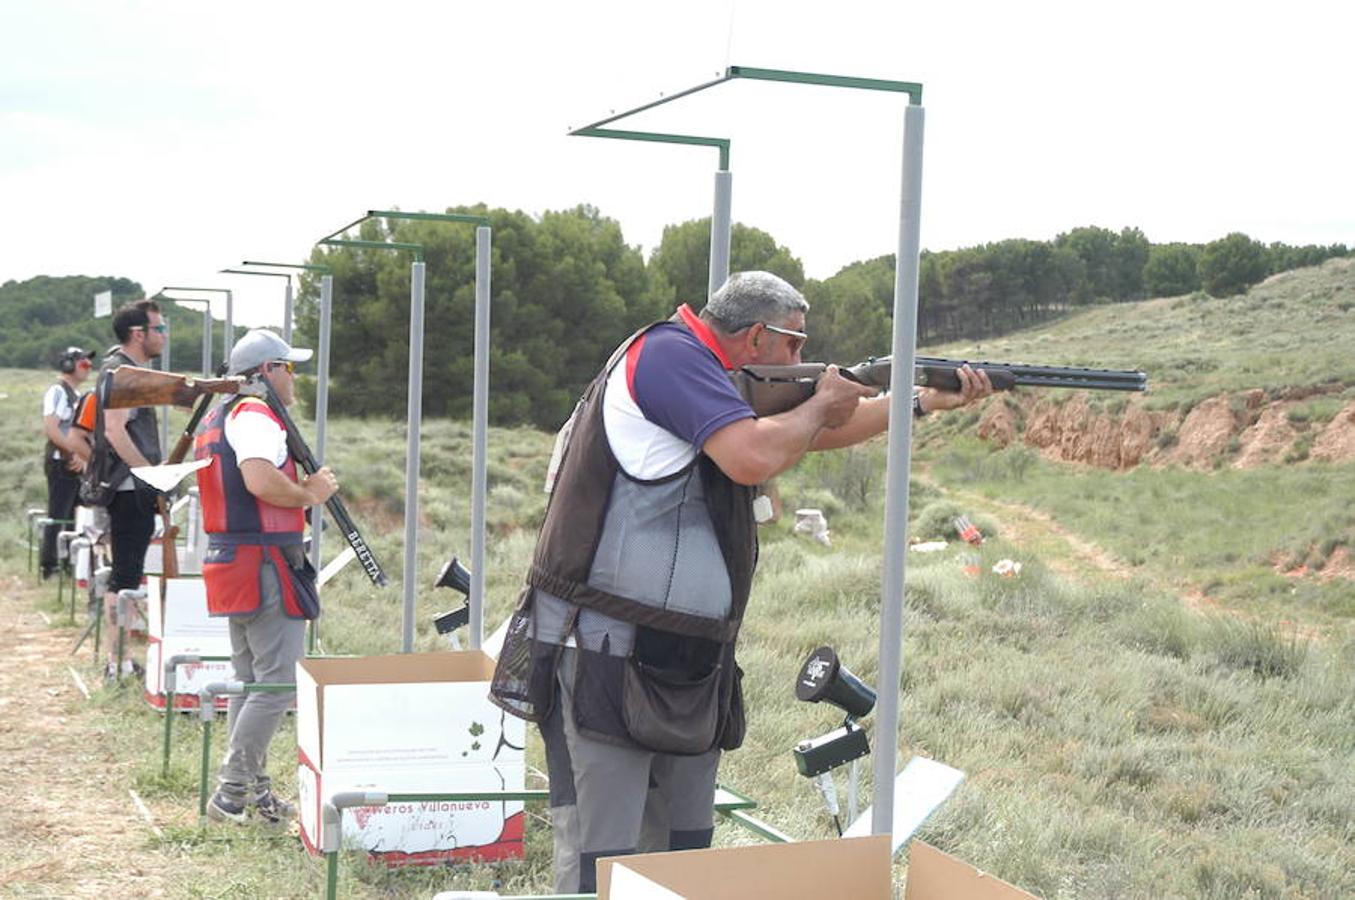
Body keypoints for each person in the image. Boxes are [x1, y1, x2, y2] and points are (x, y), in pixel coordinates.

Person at [489, 271, 992, 892]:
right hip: (607, 654)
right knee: (602, 858)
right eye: (794, 345)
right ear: (757, 335)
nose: (801, 360)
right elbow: (755, 453)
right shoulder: (670, 357)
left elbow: (816, 432)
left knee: (681, 858)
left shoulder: (700, 369)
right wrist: (816, 406)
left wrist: (919, 402)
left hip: (684, 659)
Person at [196, 329, 337, 825]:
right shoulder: (255, 415)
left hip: (238, 562)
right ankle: (232, 793)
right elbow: (258, 479)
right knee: (276, 685)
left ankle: (252, 796)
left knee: (252, 681)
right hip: (264, 564)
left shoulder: (220, 415)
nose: (294, 378)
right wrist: (310, 493)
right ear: (268, 372)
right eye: (288, 367)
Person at [98, 299, 167, 680]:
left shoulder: (125, 369)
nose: (164, 337)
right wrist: (150, 476)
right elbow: (114, 431)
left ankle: (119, 661)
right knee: (125, 576)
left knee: (126, 573)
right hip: (128, 487)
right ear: (138, 334)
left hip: (128, 485)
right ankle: (118, 664)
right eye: (159, 329)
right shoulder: (124, 372)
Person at [39, 346, 95, 579]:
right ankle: (49, 566)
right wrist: (71, 454)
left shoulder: (74, 394)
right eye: (83, 364)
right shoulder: (58, 391)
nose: (88, 368)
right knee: (58, 515)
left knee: (75, 517)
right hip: (61, 462)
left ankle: (68, 564)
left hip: (73, 463)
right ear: (69, 365)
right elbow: (52, 429)